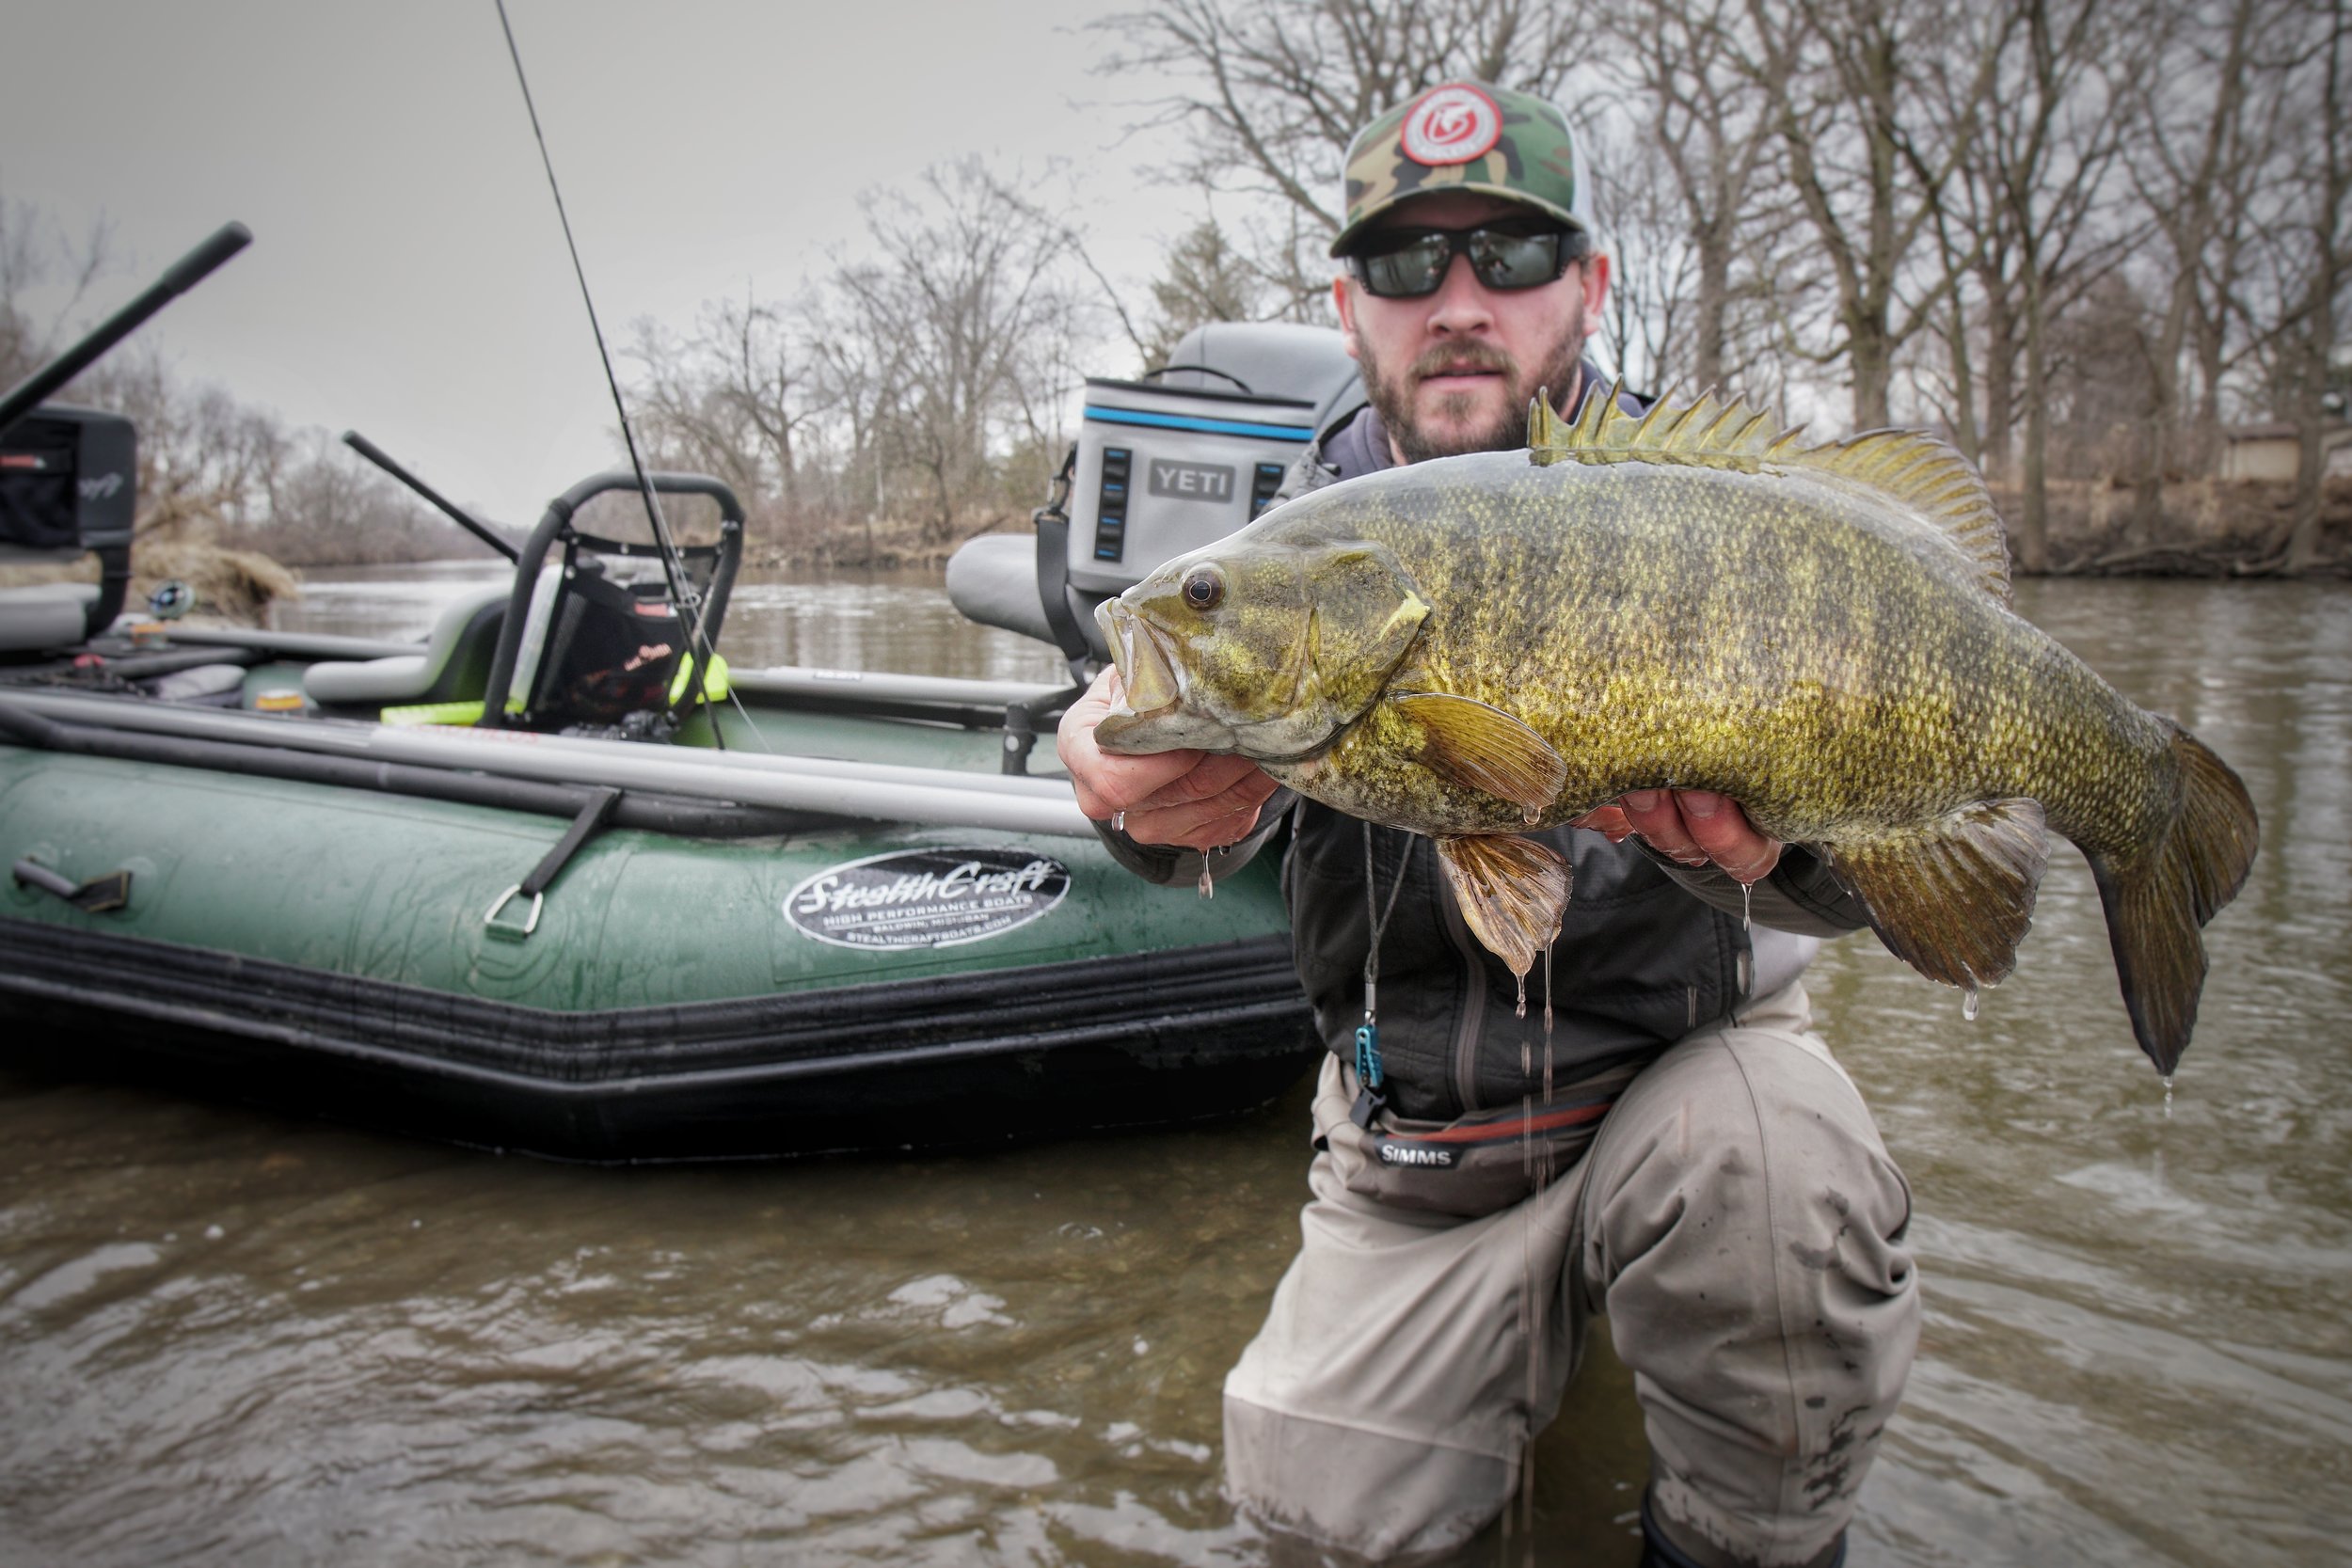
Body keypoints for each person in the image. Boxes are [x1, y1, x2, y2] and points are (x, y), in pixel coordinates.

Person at [1057, 82, 1917, 1568]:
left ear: (1588, 286)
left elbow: (1872, 876)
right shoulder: (1287, 554)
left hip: (1685, 1112)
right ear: (1348, 305)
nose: (1458, 302)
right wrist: (1132, 793)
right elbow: (1179, 800)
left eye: (1509, 258)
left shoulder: (1719, 510)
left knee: (1785, 1178)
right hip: (1422, 1163)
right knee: (1307, 1515)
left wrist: (1792, 854)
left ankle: (1734, 1533)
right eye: (1405, 267)